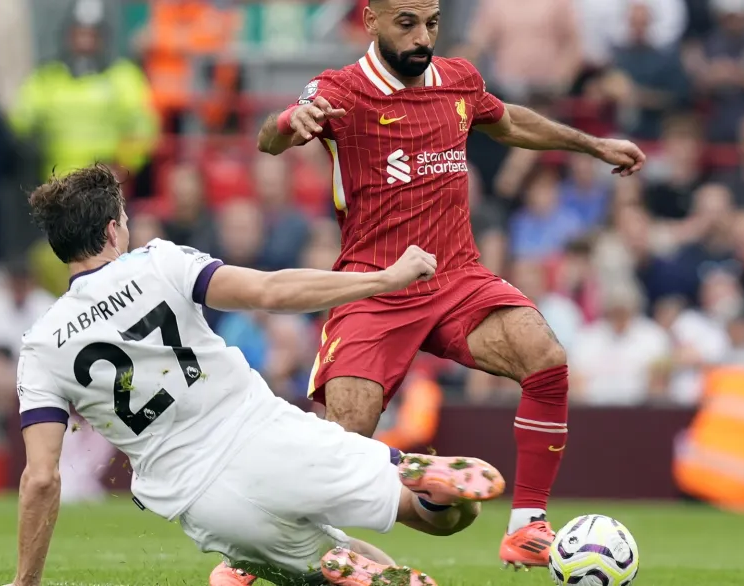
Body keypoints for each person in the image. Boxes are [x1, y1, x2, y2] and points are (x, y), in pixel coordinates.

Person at [255, 0, 646, 569]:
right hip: (375, 285)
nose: (422, 37)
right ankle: (253, 555)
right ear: (371, 21)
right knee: (344, 440)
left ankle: (526, 527)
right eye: (407, 23)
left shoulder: (459, 80)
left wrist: (593, 144)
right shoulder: (341, 90)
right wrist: (293, 121)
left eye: (432, 23)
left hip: (456, 275)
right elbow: (269, 139)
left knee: (545, 356)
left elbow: (509, 122)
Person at [5, 164, 508, 586]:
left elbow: (42, 478)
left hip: (200, 497)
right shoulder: (158, 263)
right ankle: (422, 481)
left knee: (323, 564)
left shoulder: (41, 345)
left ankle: (322, 565)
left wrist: (25, 582)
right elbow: (270, 292)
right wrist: (385, 279)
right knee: (440, 515)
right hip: (270, 436)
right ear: (114, 230)